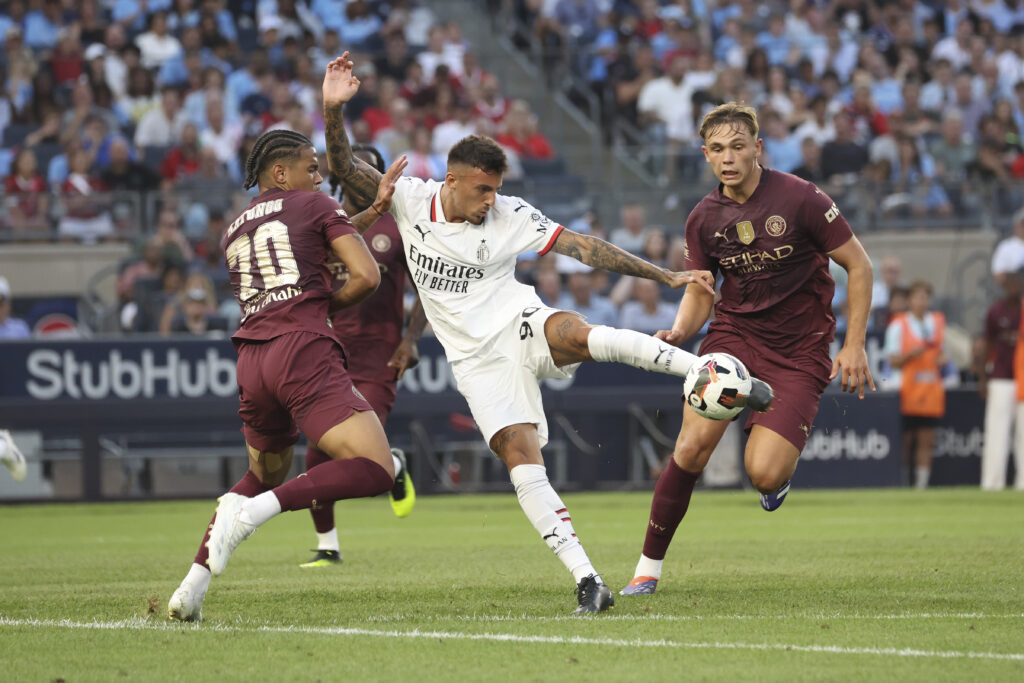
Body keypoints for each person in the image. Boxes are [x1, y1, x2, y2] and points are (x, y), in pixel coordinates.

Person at [322, 53, 771, 615]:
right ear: (453, 181)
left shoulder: (510, 213)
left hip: (519, 321)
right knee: (521, 458)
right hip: (477, 362)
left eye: (496, 190)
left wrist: (665, 274)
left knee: (578, 332)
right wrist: (333, 110)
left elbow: (586, 248)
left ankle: (713, 373)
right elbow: (342, 168)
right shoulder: (411, 200)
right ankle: (587, 579)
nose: (491, 201)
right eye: (482, 190)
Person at [621, 102, 875, 596]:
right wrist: (679, 332)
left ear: (758, 149)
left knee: (762, 472)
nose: (728, 158)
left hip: (801, 350)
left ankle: (773, 470)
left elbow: (859, 266)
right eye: (717, 149)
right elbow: (700, 289)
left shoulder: (801, 198)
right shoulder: (702, 218)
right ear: (706, 155)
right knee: (691, 449)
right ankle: (646, 570)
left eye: (738, 147)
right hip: (733, 338)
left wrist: (855, 344)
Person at [167, 125, 408, 622]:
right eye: (312, 168)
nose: (320, 178)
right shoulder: (316, 206)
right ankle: (255, 514)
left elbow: (306, 239)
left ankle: (192, 585)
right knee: (378, 468)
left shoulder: (234, 226)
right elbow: (366, 275)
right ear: (280, 171)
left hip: (252, 358)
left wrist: (376, 210)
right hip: (303, 351)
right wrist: (321, 308)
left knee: (261, 473)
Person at [300, 144, 427, 568]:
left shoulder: (398, 227)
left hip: (380, 354)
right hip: (329, 353)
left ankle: (390, 463)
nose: (363, 178)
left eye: (369, 172)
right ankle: (327, 546)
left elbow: (424, 291)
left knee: (359, 454)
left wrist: (411, 340)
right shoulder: (326, 223)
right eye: (355, 172)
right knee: (316, 451)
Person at [885, 280, 946, 490]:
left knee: (926, 441)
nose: (922, 301)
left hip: (930, 390)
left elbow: (942, 352)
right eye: (918, 297)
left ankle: (921, 486)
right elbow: (891, 360)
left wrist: (942, 360)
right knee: (906, 441)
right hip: (906, 390)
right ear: (910, 300)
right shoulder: (898, 324)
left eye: (925, 297)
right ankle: (902, 482)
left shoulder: (937, 322)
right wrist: (910, 355)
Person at [982, 272, 1024, 491]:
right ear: (1004, 285)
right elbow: (985, 344)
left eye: (1018, 282)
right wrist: (982, 378)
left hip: (1023, 379)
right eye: (1011, 283)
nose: (1015, 287)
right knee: (997, 432)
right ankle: (992, 483)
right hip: (1001, 377)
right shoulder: (996, 311)